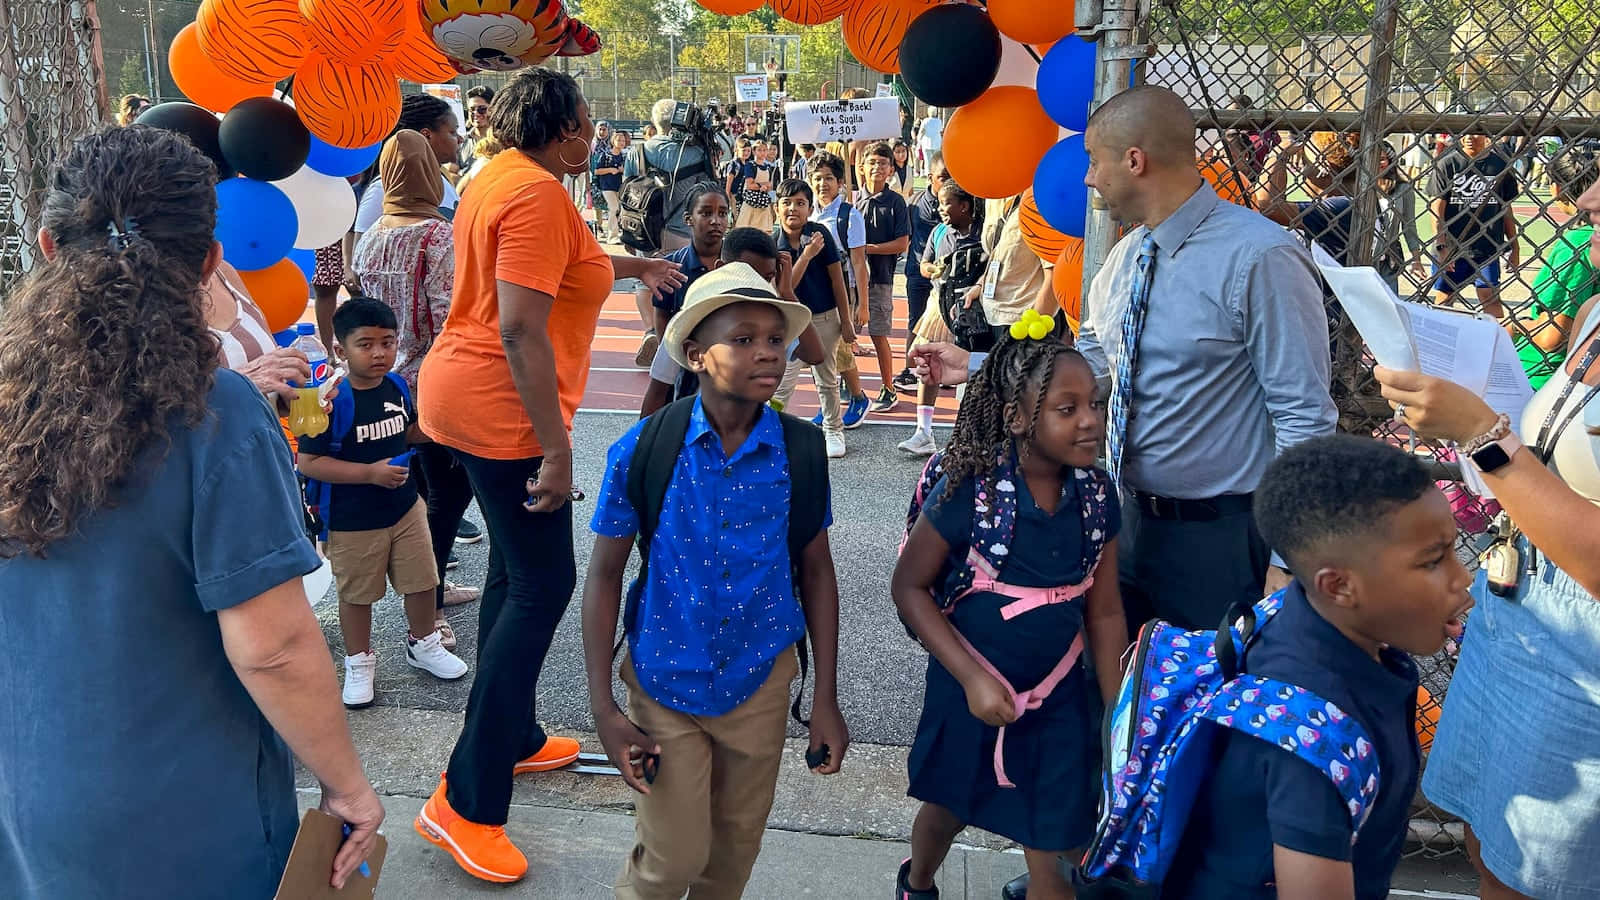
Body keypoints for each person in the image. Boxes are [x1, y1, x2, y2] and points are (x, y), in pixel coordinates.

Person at [0, 125, 382, 898]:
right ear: (210, 260)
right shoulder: (219, 413)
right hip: (186, 806)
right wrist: (348, 787)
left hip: (26, 790)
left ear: (47, 245)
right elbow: (271, 646)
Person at [917, 86, 1337, 633]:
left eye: (1094, 160)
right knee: (1117, 696)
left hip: (1226, 541)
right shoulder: (1124, 258)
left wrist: (1287, 559)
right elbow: (1091, 366)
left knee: (1206, 705)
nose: (1088, 177)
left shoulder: (1261, 257)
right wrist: (975, 367)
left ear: (1134, 160)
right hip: (1123, 522)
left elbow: (1304, 415)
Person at [411, 68, 685, 884]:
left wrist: (635, 269)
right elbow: (523, 327)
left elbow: (567, 264)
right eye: (587, 121)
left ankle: (516, 735)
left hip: (461, 397)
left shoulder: (504, 174)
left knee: (512, 572)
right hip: (502, 413)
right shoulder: (533, 194)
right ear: (562, 130)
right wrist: (556, 449)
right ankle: (464, 802)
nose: (594, 133)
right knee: (542, 586)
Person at [582, 263, 848, 900]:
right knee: (671, 858)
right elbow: (603, 575)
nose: (767, 353)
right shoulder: (645, 449)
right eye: (744, 339)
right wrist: (603, 707)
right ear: (696, 355)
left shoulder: (801, 451)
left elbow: (817, 568)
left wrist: (825, 698)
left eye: (775, 340)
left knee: (730, 858)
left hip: (759, 682)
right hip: (664, 683)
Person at [1373, 170, 1600, 900]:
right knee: (1486, 839)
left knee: (1536, 877)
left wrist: (1483, 436)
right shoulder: (1594, 309)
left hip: (1583, 654)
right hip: (1519, 613)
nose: (1586, 199)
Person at [1161, 434, 1468, 898]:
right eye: (1433, 561)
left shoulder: (1299, 615)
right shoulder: (1313, 739)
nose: (1462, 577)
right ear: (1339, 586)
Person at [892, 336, 1127, 900]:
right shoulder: (971, 491)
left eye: (1095, 403)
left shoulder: (1097, 495)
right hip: (968, 688)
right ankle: (917, 881)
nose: (1091, 421)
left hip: (1058, 699)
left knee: (1055, 841)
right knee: (949, 806)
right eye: (1067, 410)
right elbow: (909, 587)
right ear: (1018, 419)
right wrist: (973, 679)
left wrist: (1120, 712)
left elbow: (1107, 610)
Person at [298, 298, 469, 706]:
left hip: (405, 507)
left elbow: (405, 431)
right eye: (366, 344)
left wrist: (438, 427)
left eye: (388, 342)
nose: (379, 353)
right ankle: (359, 661)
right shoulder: (325, 397)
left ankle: (424, 642)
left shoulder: (395, 385)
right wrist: (369, 473)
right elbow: (309, 462)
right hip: (352, 517)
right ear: (340, 349)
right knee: (357, 594)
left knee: (424, 580)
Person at [352, 130, 481, 647]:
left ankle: (427, 592)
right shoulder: (436, 236)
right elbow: (451, 314)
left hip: (383, 382)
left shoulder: (370, 233)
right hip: (433, 380)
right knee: (447, 495)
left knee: (419, 490)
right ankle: (427, 608)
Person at [645, 228, 826, 418]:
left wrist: (787, 293)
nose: (757, 285)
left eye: (767, 278)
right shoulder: (692, 323)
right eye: (747, 274)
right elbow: (658, 392)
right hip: (694, 431)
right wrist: (645, 443)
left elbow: (814, 354)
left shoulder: (768, 324)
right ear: (720, 268)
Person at [898, 180, 983, 458]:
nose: (939, 208)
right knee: (927, 363)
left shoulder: (984, 233)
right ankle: (923, 431)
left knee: (972, 371)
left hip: (974, 309)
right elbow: (923, 265)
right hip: (939, 305)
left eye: (946, 203)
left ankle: (968, 434)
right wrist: (931, 269)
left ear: (964, 205)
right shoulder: (938, 232)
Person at [773, 178, 852, 459]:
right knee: (782, 381)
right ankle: (769, 428)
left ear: (809, 208)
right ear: (776, 208)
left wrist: (847, 319)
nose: (793, 208)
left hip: (823, 317)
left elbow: (837, 279)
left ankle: (833, 428)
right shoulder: (773, 244)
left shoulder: (820, 234)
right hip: (791, 322)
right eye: (787, 203)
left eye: (800, 203)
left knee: (827, 378)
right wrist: (806, 256)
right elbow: (786, 288)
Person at [640, 183, 732, 417]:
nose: (715, 221)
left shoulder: (737, 267)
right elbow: (662, 314)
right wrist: (672, 353)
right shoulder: (672, 267)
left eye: (722, 213)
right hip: (685, 367)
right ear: (688, 218)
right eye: (706, 213)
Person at [1511, 144, 1598, 389]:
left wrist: (1513, 325)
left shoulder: (1578, 244)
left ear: (1556, 188)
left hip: (1542, 375)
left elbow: (1552, 336)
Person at [810, 151, 873, 429]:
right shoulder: (809, 212)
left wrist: (862, 304)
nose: (822, 184)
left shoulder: (850, 215)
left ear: (839, 183)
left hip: (842, 290)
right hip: (814, 290)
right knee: (820, 351)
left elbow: (859, 262)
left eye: (828, 178)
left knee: (840, 349)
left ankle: (858, 398)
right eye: (817, 178)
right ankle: (829, 403)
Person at [1431, 131, 1521, 318]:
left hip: (1486, 247)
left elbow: (1506, 210)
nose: (1471, 138)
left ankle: (1497, 340)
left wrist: (1515, 246)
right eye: (1466, 134)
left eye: (1477, 134)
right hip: (1454, 245)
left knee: (1490, 297)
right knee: (1444, 297)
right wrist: (1442, 245)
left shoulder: (1500, 166)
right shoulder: (1448, 164)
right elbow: (1437, 208)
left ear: (1487, 137)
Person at [354, 94, 465, 235]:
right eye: (453, 132)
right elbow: (360, 250)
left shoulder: (442, 179)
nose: (460, 139)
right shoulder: (385, 187)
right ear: (426, 135)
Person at [625, 98, 719, 253]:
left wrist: (627, 232)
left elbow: (626, 193)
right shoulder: (696, 153)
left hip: (644, 234)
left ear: (653, 121)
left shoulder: (636, 152)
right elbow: (709, 192)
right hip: (683, 235)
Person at [861, 142, 911, 414]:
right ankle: (849, 385)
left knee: (878, 333)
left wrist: (867, 249)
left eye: (883, 163)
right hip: (852, 279)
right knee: (845, 335)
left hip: (880, 277)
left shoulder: (896, 203)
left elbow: (902, 243)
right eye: (872, 162)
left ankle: (888, 388)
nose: (877, 168)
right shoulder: (854, 201)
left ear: (891, 169)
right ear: (862, 166)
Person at [1254, 133, 1358, 264]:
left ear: (1324, 167)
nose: (1299, 169)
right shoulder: (1355, 200)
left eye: (1304, 162)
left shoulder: (1341, 207)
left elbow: (1266, 206)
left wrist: (1278, 155)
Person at [894, 152, 947, 392]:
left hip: (948, 277)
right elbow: (908, 235)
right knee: (915, 322)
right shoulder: (916, 203)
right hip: (918, 272)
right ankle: (908, 369)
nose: (947, 182)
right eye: (942, 177)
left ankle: (944, 368)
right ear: (930, 177)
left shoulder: (962, 200)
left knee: (947, 323)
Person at [1374, 142, 1428, 294]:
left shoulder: (1403, 188)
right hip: (1362, 254)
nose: (1380, 163)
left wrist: (1416, 259)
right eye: (1376, 158)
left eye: (1384, 158)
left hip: (1388, 255)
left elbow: (1409, 226)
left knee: (1389, 302)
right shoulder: (1357, 186)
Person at [735, 139, 778, 232]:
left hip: (763, 203)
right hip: (751, 202)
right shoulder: (750, 166)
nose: (762, 153)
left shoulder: (768, 167)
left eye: (764, 150)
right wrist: (762, 185)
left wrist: (766, 186)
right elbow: (750, 185)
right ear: (754, 151)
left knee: (765, 230)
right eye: (759, 150)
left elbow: (770, 186)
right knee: (745, 229)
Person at [594, 129, 627, 243]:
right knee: (613, 208)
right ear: (613, 141)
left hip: (620, 186)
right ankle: (612, 236)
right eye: (619, 140)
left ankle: (619, 233)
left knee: (620, 210)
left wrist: (623, 170)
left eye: (623, 140)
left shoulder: (625, 156)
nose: (621, 142)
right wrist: (610, 170)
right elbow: (597, 171)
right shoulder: (606, 155)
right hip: (607, 186)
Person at [462, 85, 494, 168]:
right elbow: (449, 171)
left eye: (482, 109)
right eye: (472, 109)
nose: (476, 113)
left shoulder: (505, 141)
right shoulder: (460, 142)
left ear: (493, 109)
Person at [917, 107, 944, 177]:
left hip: (926, 143)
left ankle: (929, 175)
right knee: (936, 160)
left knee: (927, 161)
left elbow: (921, 131)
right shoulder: (939, 121)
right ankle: (936, 174)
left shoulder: (925, 121)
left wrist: (919, 140)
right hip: (937, 143)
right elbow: (941, 131)